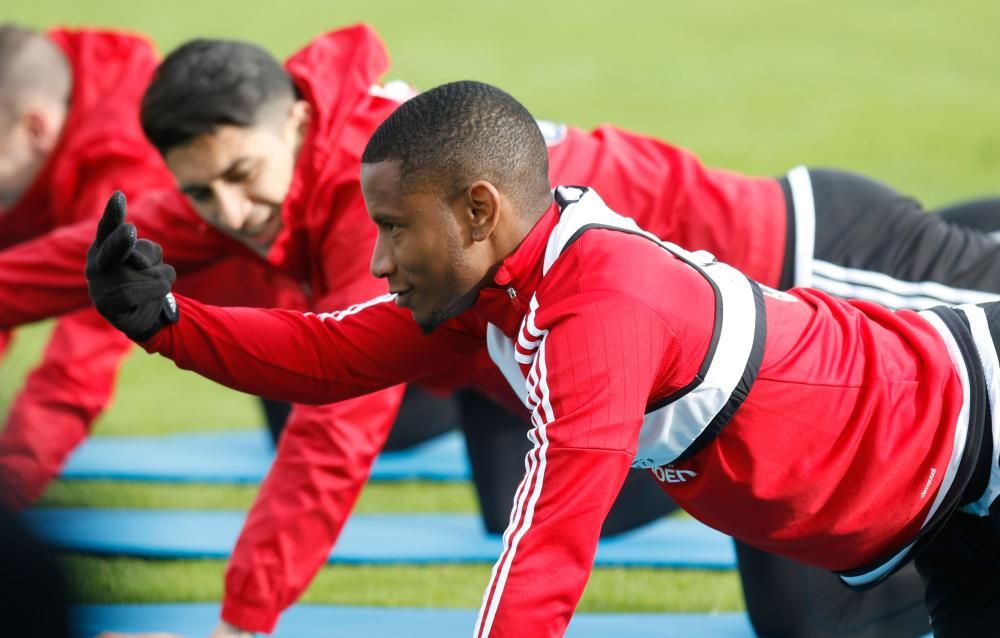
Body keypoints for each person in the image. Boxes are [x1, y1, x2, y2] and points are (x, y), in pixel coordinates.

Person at [8, 24, 1000, 636]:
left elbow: (544, 552)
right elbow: (329, 353)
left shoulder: (591, 311)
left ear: (479, 210)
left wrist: (241, 622)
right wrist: (164, 323)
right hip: (909, 502)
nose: (381, 257)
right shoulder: (485, 288)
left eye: (393, 233)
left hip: (943, 393)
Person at [0, 23, 309, 510]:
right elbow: (16, 286)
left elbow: (79, 362)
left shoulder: (124, 169)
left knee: (372, 395)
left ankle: (461, 378)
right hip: (254, 330)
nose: (226, 210)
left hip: (298, 321)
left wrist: (10, 490)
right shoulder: (34, 104)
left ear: (36, 127)